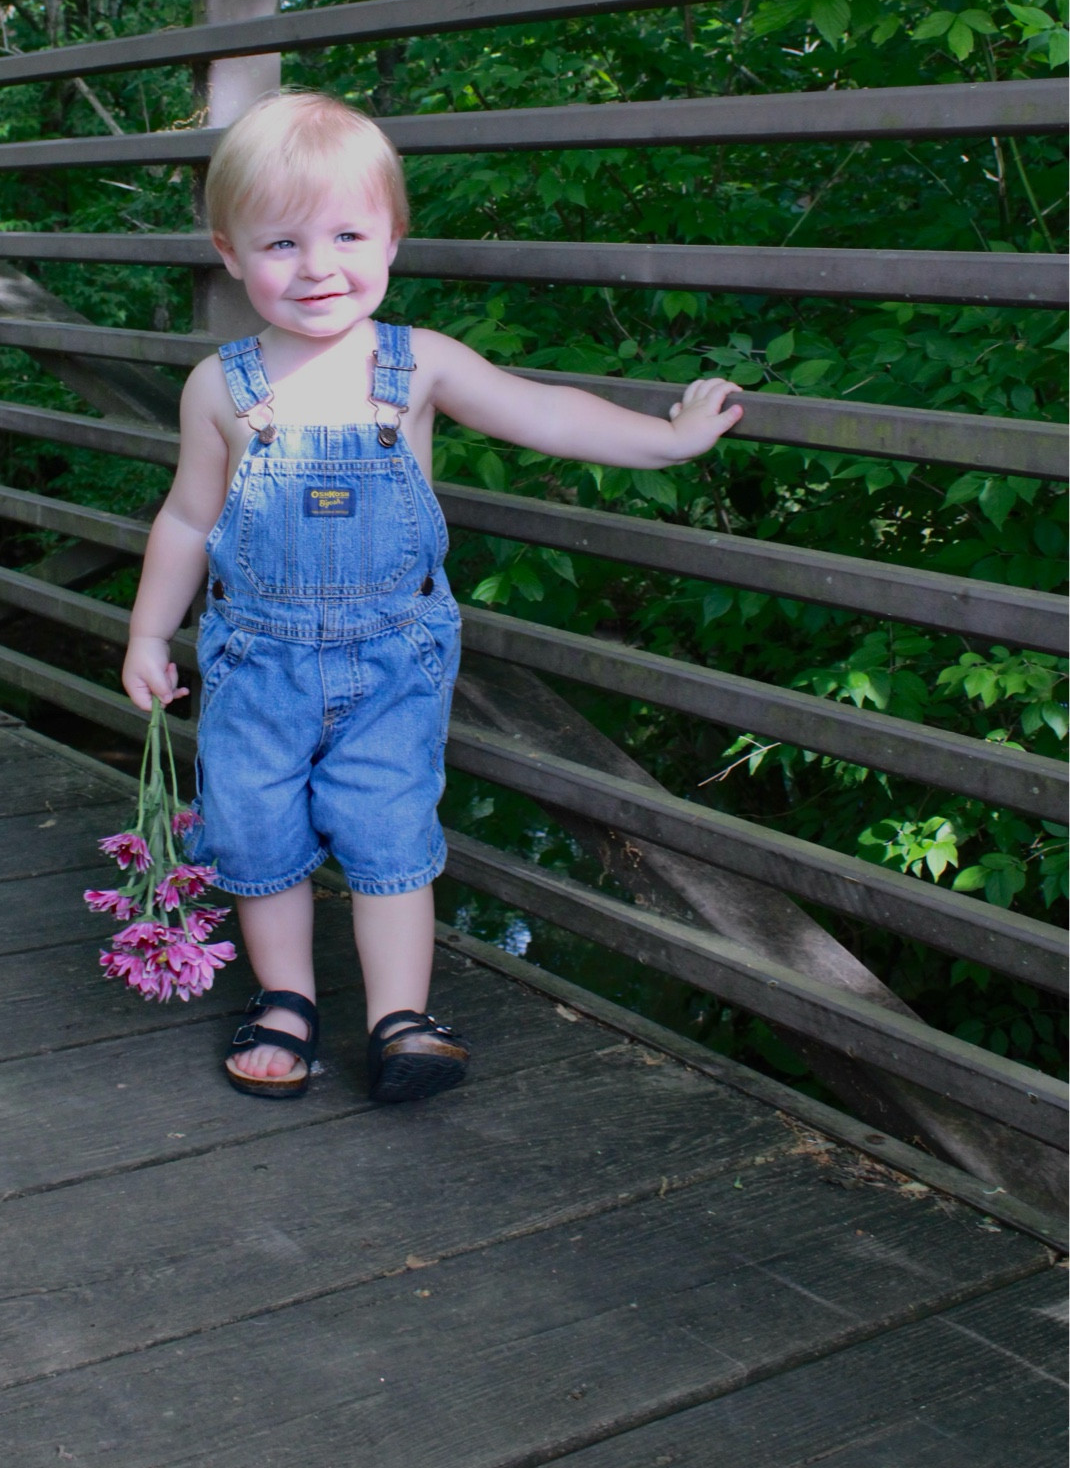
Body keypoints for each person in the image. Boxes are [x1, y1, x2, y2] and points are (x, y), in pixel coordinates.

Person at [122, 91, 741, 1105]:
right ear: (229, 252)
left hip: (391, 656)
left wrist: (664, 438)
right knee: (255, 831)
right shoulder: (221, 386)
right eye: (281, 241)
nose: (318, 265)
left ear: (394, 238)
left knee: (388, 828)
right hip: (254, 657)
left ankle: (398, 1013)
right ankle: (285, 998)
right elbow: (188, 519)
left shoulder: (416, 365)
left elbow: (542, 413)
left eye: (347, 234)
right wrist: (149, 628)